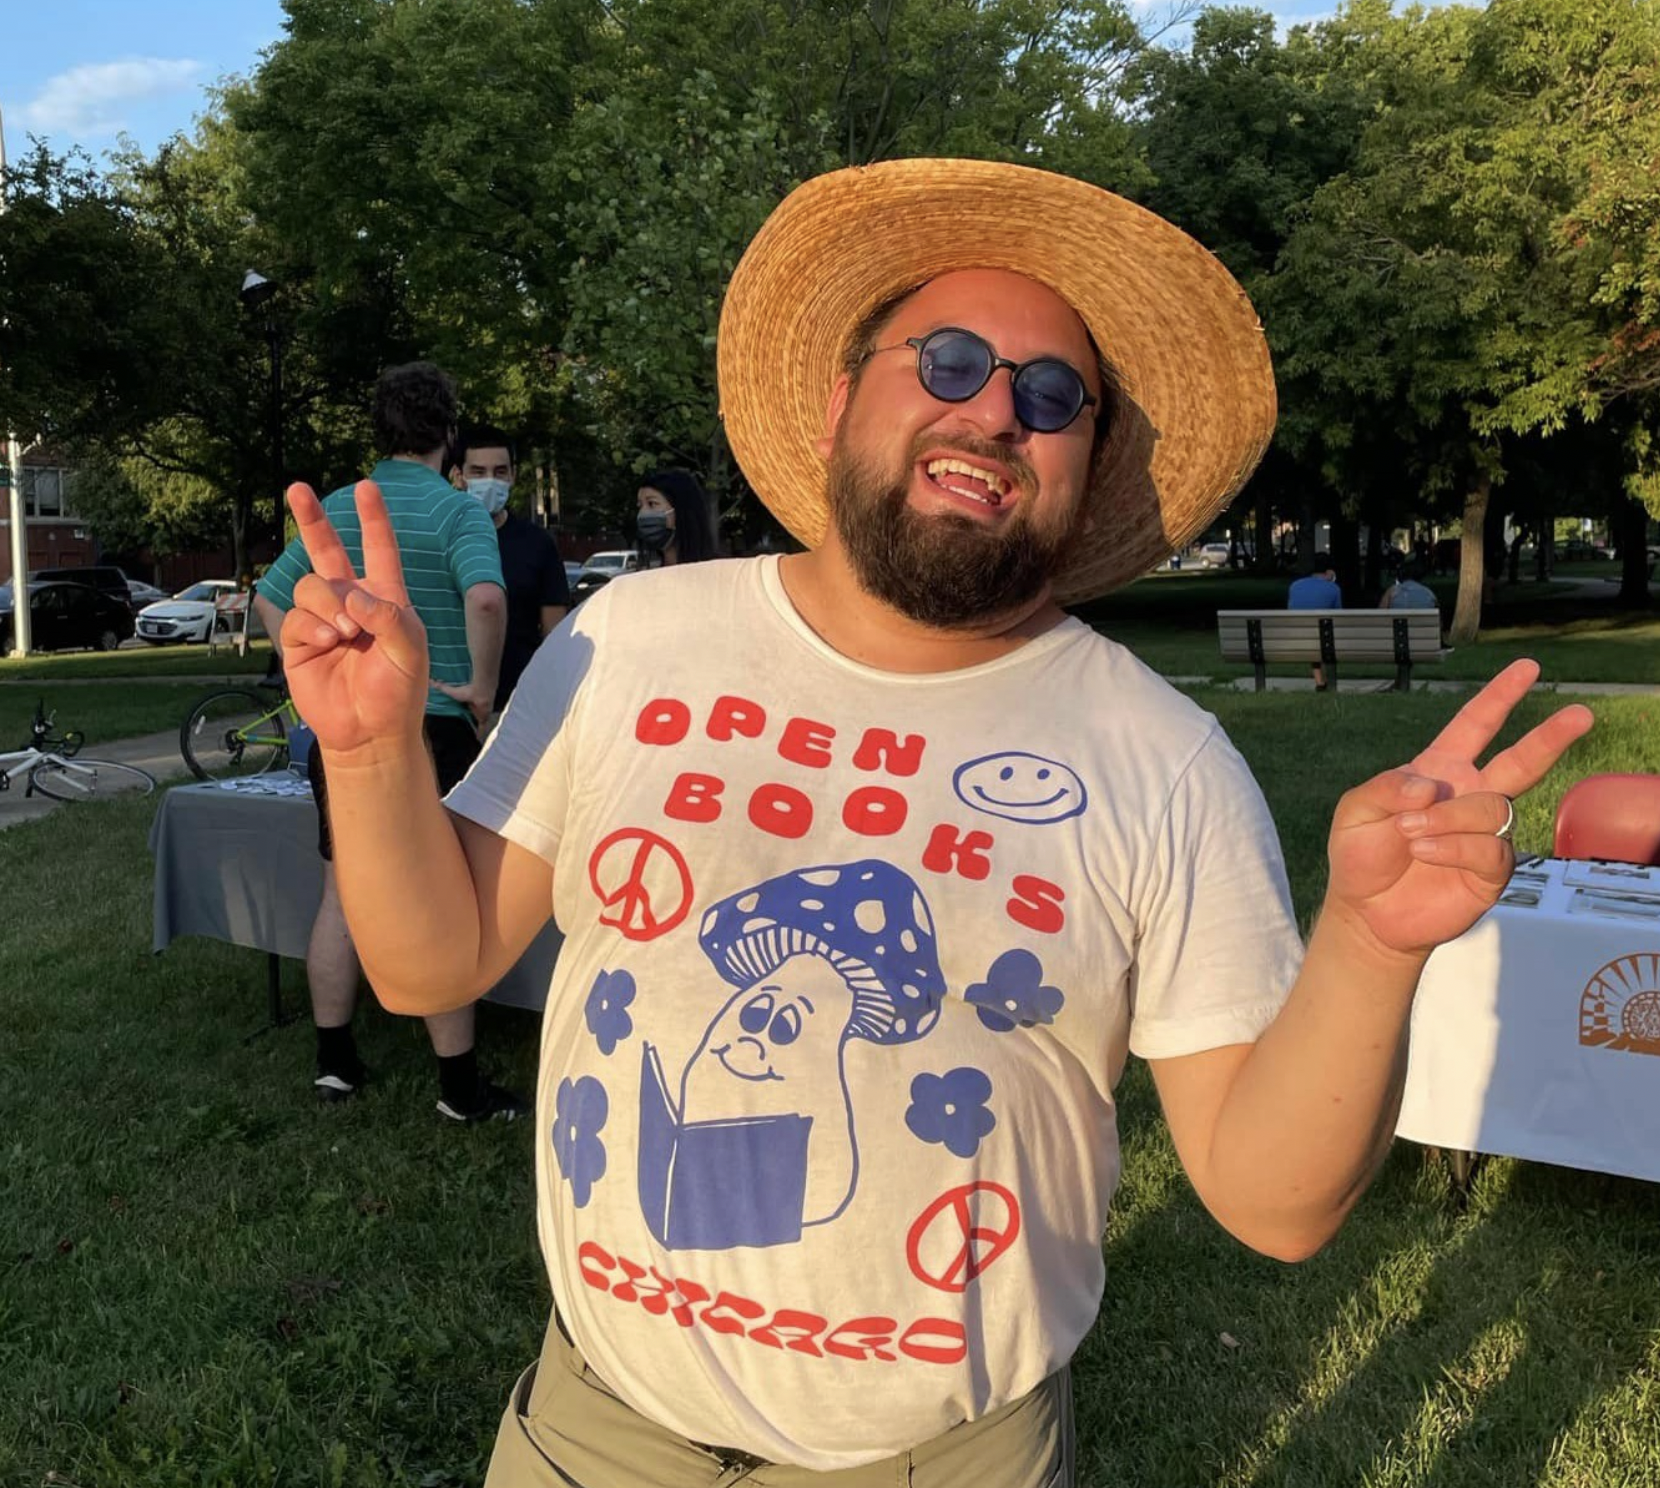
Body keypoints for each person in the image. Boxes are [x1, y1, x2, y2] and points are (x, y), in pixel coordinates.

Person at [272, 160, 1592, 1485]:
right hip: (594, 1430)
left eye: (1053, 396)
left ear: (1088, 456)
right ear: (845, 396)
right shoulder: (634, 641)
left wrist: (1368, 942)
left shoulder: (1163, 764)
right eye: (950, 360)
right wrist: (376, 750)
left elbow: (1274, 1204)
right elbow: (428, 963)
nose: (998, 412)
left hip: (945, 1461)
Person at [252, 361, 525, 1124]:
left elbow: (269, 598)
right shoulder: (458, 509)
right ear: (448, 433)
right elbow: (486, 598)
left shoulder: (339, 507)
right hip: (428, 724)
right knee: (442, 891)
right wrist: (481, 687)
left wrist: (310, 674)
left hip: (339, 731)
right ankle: (458, 1084)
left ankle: (335, 1060)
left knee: (343, 885)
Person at [453, 423, 571, 711]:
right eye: (478, 472)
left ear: (513, 475)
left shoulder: (537, 543)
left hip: (519, 706)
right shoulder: (442, 538)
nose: (490, 481)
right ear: (458, 476)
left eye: (500, 472)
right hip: (451, 706)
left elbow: (555, 634)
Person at [636, 468, 716, 567]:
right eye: (640, 505)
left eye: (652, 503)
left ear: (680, 510)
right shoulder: (649, 576)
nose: (642, 513)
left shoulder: (717, 572)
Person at [1287, 552, 1342, 690]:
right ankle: (1323, 682)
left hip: (1295, 636)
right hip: (1324, 639)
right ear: (1329, 571)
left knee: (1314, 636)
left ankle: (1320, 683)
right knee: (1324, 635)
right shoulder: (1334, 588)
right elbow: (1338, 616)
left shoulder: (1295, 585)